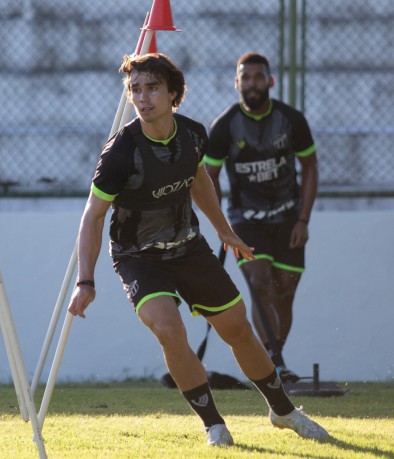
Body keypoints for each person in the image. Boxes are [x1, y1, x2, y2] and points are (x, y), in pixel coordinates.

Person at [67, 52, 328, 447]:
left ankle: (283, 411)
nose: (142, 97)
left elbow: (199, 180)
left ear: (174, 94)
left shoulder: (192, 134)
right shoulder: (120, 153)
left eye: (152, 87)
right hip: (138, 257)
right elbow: (93, 215)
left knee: (237, 327)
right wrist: (85, 281)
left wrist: (225, 231)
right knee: (169, 330)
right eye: (135, 89)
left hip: (188, 248)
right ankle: (214, 425)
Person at [204, 51, 319, 383]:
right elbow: (208, 177)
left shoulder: (291, 120)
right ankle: (274, 362)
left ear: (270, 81)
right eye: (246, 77)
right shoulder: (224, 126)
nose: (252, 83)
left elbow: (310, 167)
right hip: (245, 220)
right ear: (236, 83)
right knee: (259, 282)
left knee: (285, 291)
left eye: (258, 77)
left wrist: (303, 220)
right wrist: (222, 226)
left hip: (289, 219)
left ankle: (276, 359)